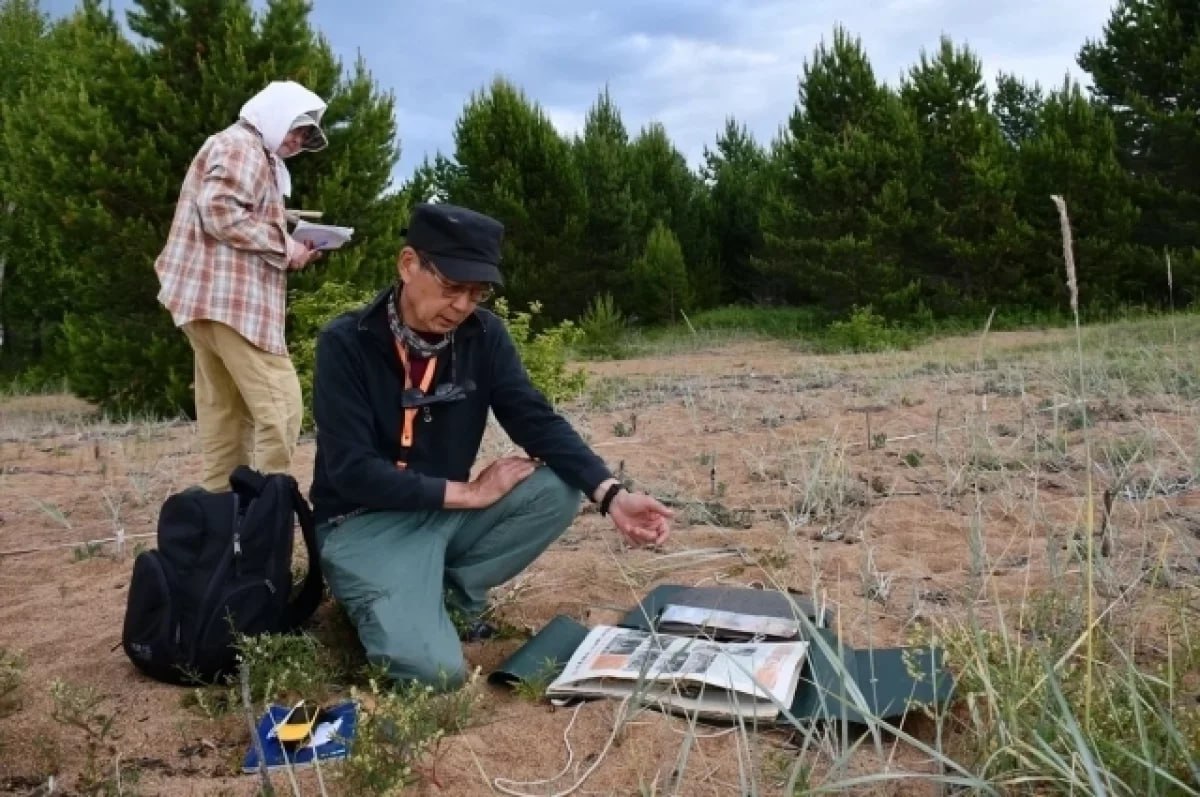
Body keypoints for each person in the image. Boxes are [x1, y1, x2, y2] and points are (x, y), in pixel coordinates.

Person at [309, 202, 674, 687]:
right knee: (433, 674)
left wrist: (612, 494)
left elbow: (534, 419)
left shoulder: (484, 336)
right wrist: (469, 494)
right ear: (408, 264)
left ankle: (446, 602)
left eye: (476, 293)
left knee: (557, 489)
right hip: (362, 524)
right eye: (452, 288)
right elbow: (351, 470)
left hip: (440, 516)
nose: (462, 306)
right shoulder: (346, 342)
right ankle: (394, 605)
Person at [155, 80, 329, 492]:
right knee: (281, 406)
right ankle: (266, 511)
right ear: (273, 112)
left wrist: (286, 232)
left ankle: (223, 517)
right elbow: (219, 210)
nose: (297, 141)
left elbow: (226, 207)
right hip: (232, 302)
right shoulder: (243, 147)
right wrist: (284, 246)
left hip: (207, 300)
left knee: (225, 415)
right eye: (296, 128)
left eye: (305, 136)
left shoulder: (244, 150)